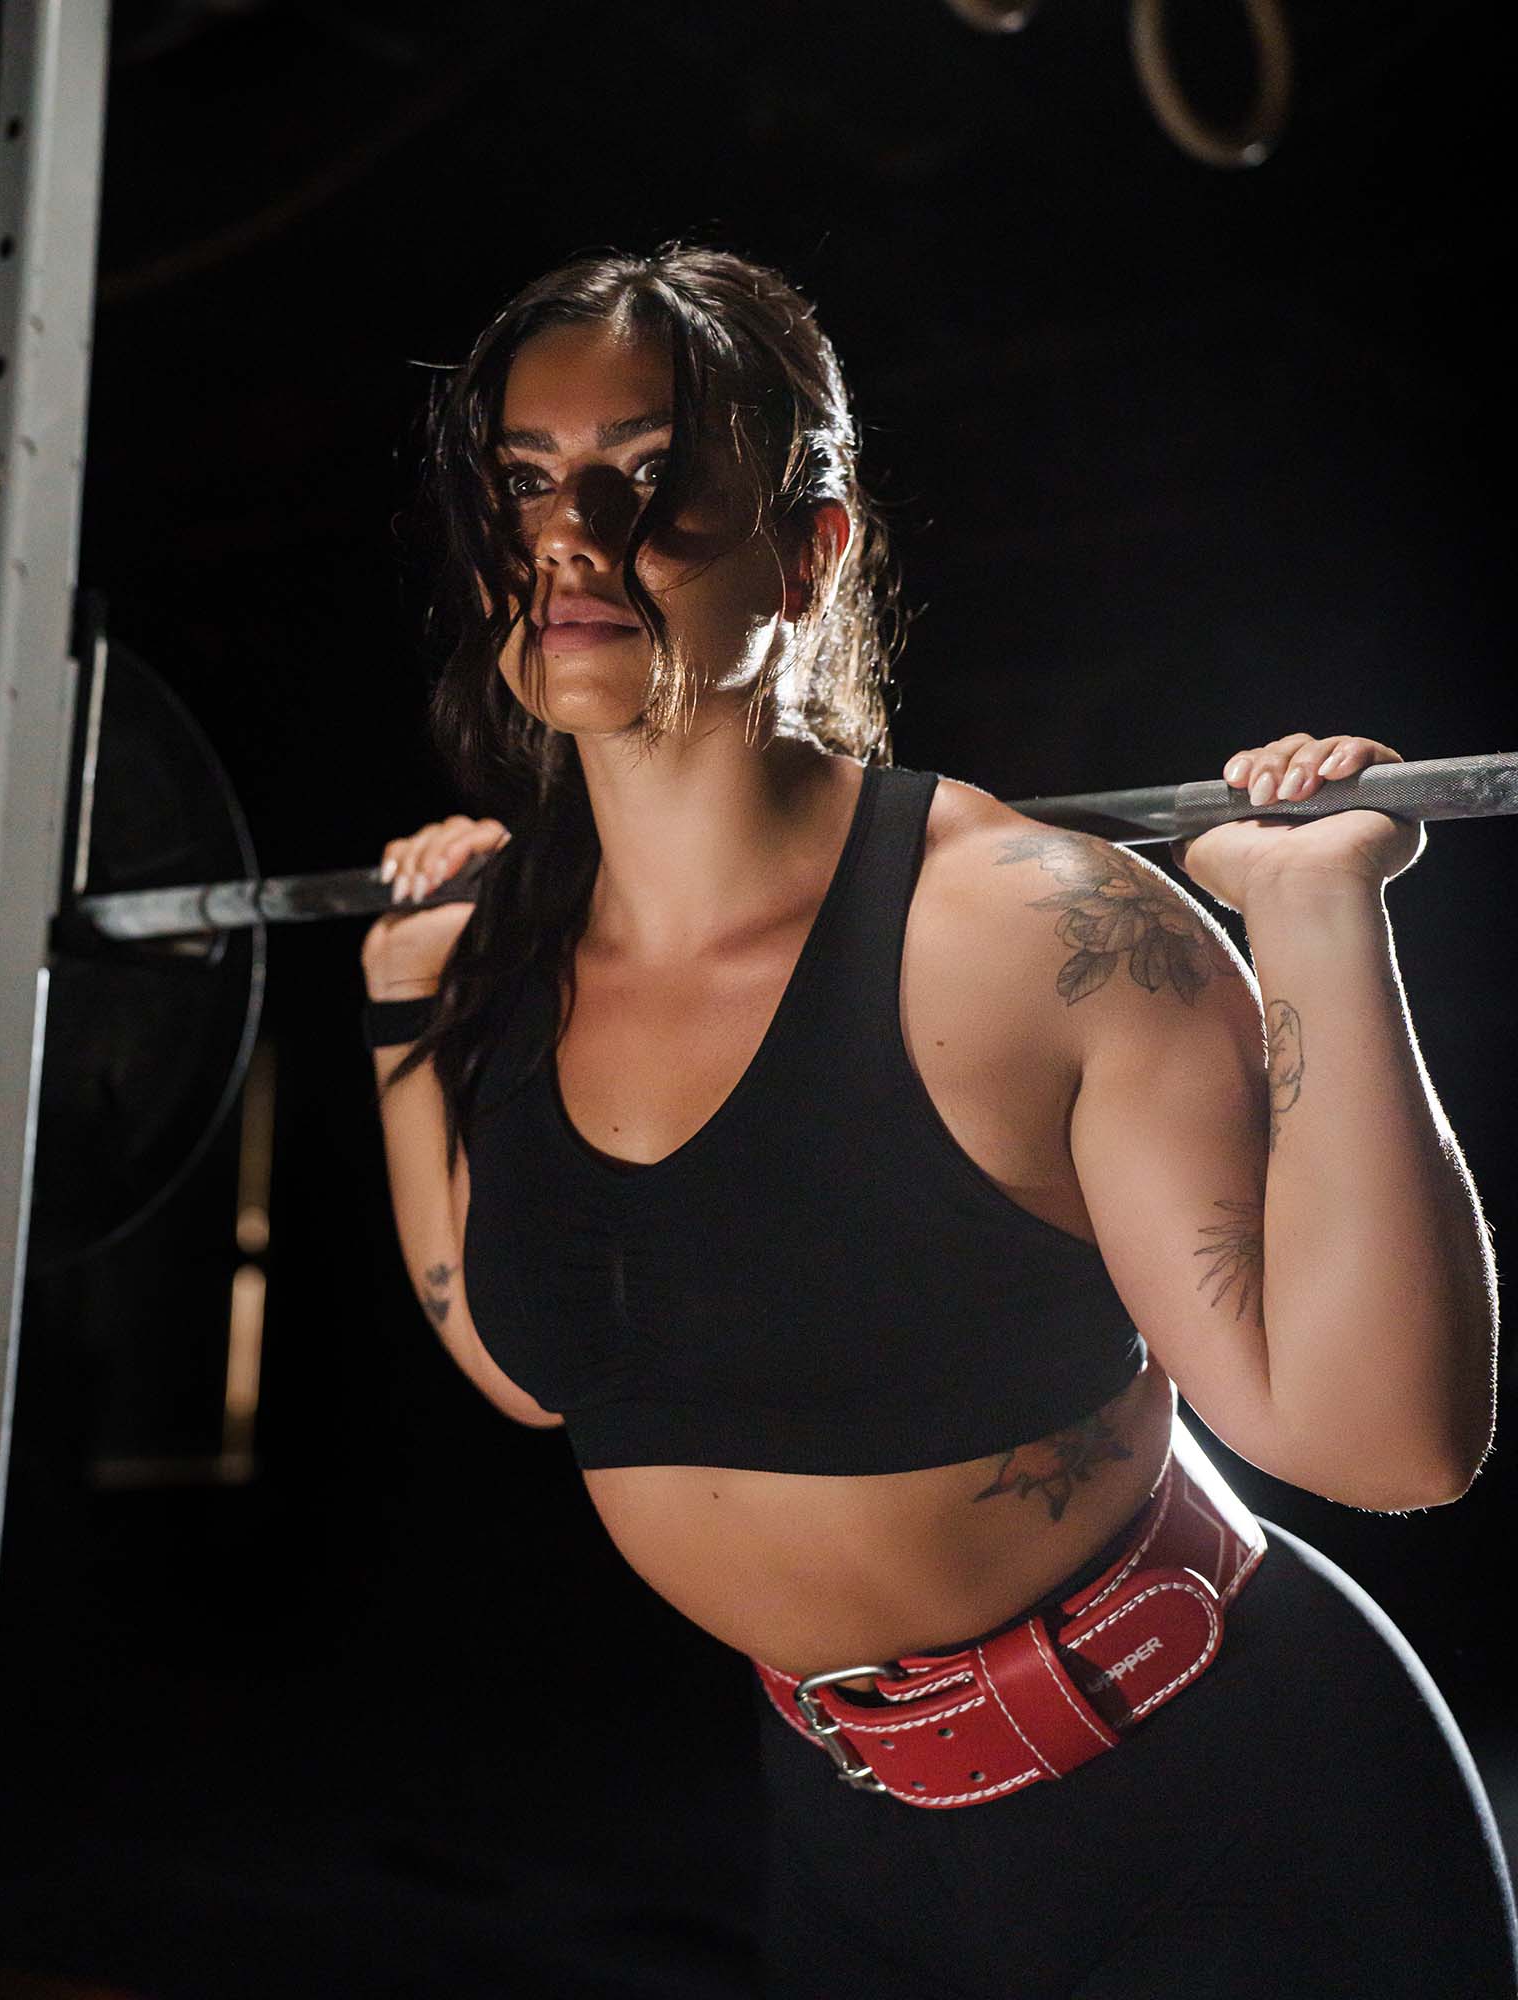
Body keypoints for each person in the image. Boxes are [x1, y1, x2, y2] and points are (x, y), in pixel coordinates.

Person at [359, 244, 1517, 1996]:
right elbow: (534, 1364)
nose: (570, 537)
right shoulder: (521, 962)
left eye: (649, 473)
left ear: (810, 549)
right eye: (526, 481)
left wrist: (1315, 924)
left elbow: (1390, 1445)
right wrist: (402, 1010)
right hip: (855, 1851)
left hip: (1225, 1825)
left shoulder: (1033, 929)